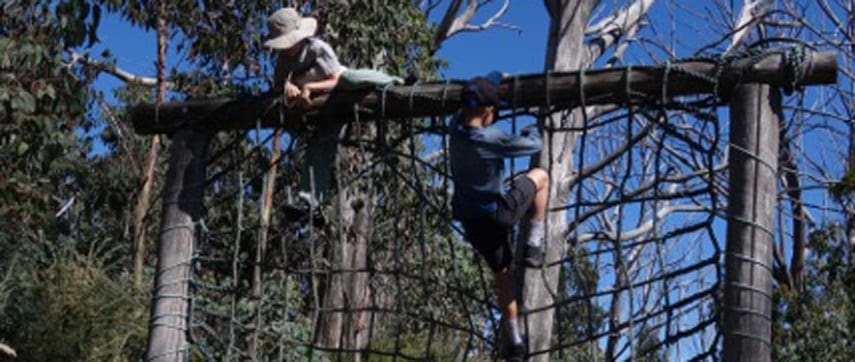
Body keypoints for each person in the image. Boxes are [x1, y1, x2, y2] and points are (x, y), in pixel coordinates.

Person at [265, 7, 404, 223]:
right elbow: (278, 87)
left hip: (339, 89)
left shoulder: (318, 49)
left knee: (354, 78)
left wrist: (310, 87)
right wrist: (288, 88)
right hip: (320, 109)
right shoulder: (283, 60)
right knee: (318, 148)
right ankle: (310, 203)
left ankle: (396, 82)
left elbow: (336, 79)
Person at [449, 76, 550, 360]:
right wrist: (533, 130)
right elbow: (532, 146)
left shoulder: (454, 128)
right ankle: (534, 241)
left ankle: (515, 341)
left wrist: (494, 78)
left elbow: (474, 95)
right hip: (499, 214)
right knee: (541, 177)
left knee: (504, 278)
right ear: (488, 110)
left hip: (472, 222)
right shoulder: (493, 138)